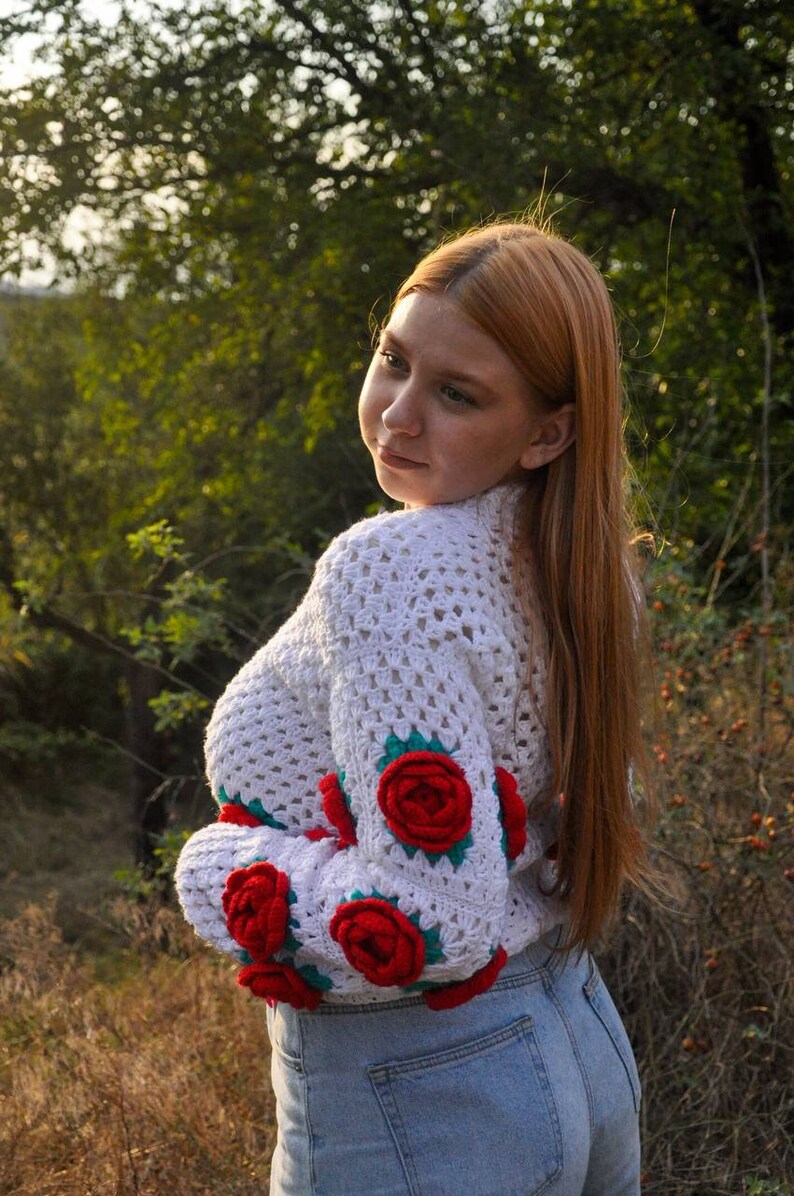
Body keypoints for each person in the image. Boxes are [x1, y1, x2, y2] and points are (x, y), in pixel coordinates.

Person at [175, 219, 652, 1196]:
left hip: (417, 1094)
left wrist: (215, 866)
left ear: (546, 430)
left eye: (455, 393)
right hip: (569, 1044)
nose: (395, 413)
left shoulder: (393, 571)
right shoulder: (585, 568)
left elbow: (433, 915)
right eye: (392, 360)